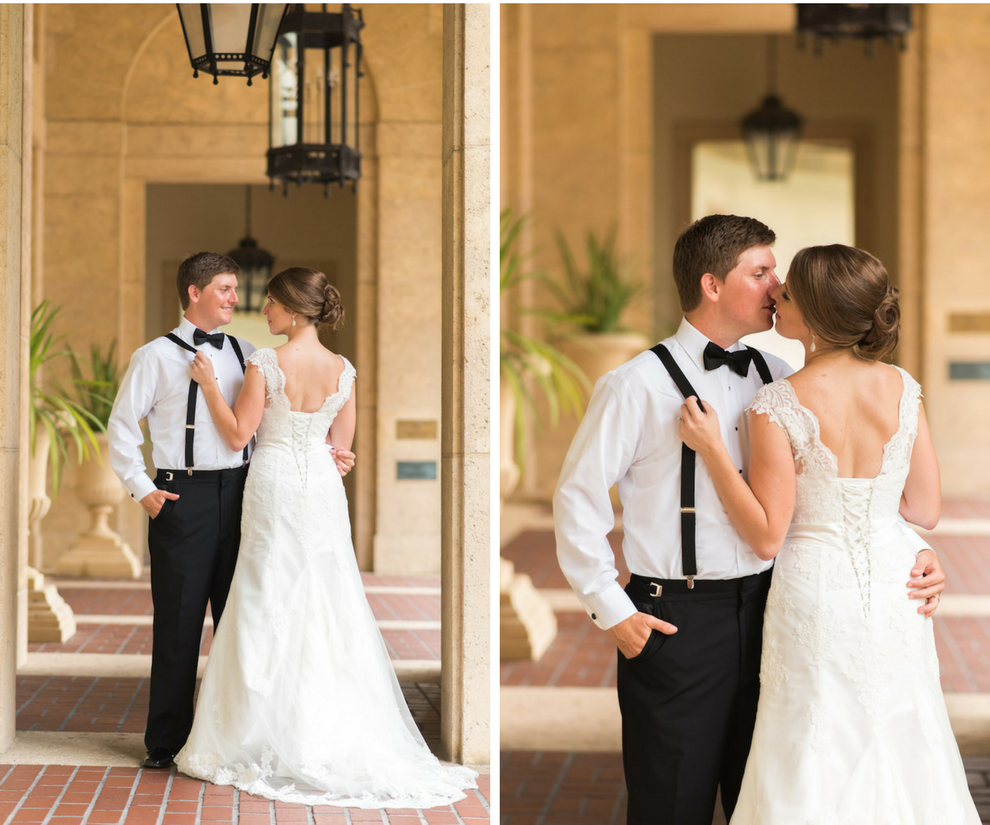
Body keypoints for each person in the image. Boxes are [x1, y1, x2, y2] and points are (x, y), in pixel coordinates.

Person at [553, 216, 945, 825]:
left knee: (767, 796)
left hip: (776, 613)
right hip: (678, 622)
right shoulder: (634, 385)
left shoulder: (782, 378)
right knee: (672, 805)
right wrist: (614, 611)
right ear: (712, 285)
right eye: (761, 273)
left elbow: (841, 487)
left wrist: (910, 548)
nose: (775, 286)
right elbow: (577, 501)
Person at [678, 244, 978, 824]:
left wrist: (714, 451)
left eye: (785, 294)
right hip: (896, 588)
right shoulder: (902, 386)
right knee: (902, 726)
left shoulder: (777, 402)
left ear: (814, 317)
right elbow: (925, 507)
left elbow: (767, 536)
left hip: (815, 589)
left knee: (812, 732)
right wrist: (913, 548)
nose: (774, 297)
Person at [173, 267, 477, 807]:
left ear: (293, 309)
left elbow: (239, 433)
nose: (262, 311)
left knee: (266, 593)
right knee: (327, 596)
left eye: (269, 303)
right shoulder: (344, 370)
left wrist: (209, 386)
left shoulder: (264, 362)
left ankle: (258, 728)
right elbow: (342, 449)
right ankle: (327, 721)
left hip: (272, 484)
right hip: (320, 491)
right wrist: (334, 456)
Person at [108, 252, 357, 770]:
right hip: (183, 496)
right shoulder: (152, 356)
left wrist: (330, 452)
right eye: (224, 288)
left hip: (249, 493)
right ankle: (167, 742)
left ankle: (238, 734)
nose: (235, 298)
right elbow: (122, 430)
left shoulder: (251, 353)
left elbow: (264, 426)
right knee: (178, 625)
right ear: (195, 293)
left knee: (244, 618)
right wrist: (142, 489)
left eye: (236, 289)